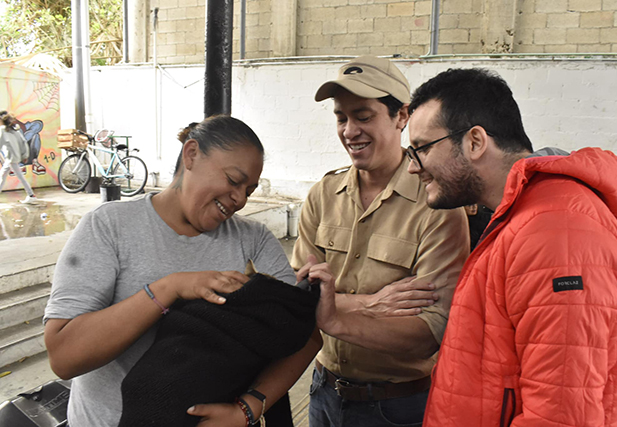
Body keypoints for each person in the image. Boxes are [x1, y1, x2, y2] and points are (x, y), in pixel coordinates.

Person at [44, 115, 322, 427]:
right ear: (191, 155)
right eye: (233, 180)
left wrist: (247, 409)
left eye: (250, 189)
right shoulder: (109, 227)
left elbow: (305, 336)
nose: (240, 199)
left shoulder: (253, 241)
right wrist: (168, 289)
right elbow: (64, 357)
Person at [406, 68, 617, 426]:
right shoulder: (526, 217)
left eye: (421, 148)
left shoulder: (558, 232)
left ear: (474, 141)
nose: (413, 168)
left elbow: (561, 416)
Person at [292, 56, 470, 427]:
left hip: (398, 407)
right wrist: (370, 303)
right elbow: (294, 300)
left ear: (401, 116)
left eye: (364, 116)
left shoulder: (437, 206)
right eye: (341, 117)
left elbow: (429, 333)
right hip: (324, 392)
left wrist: (335, 316)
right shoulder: (323, 195)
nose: (349, 130)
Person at [0, 111, 38, 204]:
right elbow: (23, 142)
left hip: (11, 157)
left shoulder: (2, 130)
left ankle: (31, 195)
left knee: (19, 176)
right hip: (14, 157)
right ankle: (31, 195)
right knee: (3, 175)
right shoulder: (14, 130)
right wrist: (25, 155)